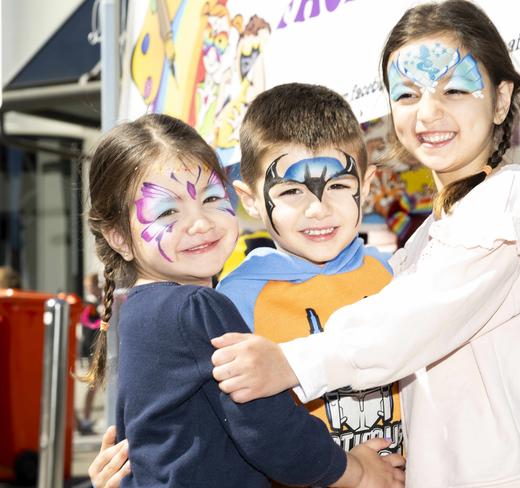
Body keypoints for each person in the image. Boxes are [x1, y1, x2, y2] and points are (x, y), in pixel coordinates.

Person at [210, 1, 520, 486]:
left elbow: (409, 324)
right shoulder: (428, 237)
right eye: (408, 93)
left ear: (501, 100)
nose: (429, 112)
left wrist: (291, 360)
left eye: (455, 89)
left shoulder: (510, 202)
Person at [82, 113, 404, 487]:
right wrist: (356, 471)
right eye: (168, 211)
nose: (200, 222)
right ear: (119, 236)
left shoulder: (137, 311)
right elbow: (269, 428)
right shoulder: (197, 308)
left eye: (212, 198)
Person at [217, 83, 404, 456]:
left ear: (366, 186)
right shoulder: (236, 300)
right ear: (250, 200)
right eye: (290, 192)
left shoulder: (397, 275)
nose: (318, 209)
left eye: (338, 184)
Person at [77, 272, 102, 435]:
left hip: (98, 348)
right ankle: (85, 419)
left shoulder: (97, 303)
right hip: (94, 349)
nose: (89, 289)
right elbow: (89, 326)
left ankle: (86, 419)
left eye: (90, 286)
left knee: (95, 384)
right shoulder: (91, 305)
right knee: (93, 384)